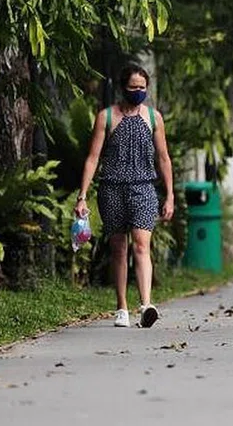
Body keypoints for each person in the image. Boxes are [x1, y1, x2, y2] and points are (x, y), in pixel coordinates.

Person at [75, 63, 175, 328]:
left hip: (144, 188)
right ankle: (121, 306)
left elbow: (163, 158)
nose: (138, 92)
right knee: (119, 248)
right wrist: (82, 195)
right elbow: (93, 158)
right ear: (123, 88)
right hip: (112, 189)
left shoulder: (154, 118)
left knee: (142, 245)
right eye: (133, 88)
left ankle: (146, 304)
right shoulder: (106, 117)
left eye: (143, 88)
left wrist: (170, 195)